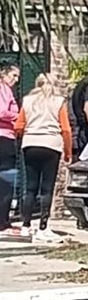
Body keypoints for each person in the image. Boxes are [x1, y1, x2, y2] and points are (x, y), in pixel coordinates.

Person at [14, 74, 72, 242]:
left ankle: (25, 226)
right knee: (46, 188)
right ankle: (43, 227)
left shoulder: (27, 101)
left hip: (30, 144)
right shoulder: (58, 102)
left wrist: (22, 137)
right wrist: (68, 152)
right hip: (51, 145)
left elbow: (19, 125)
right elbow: (66, 129)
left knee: (30, 187)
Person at [0, 61, 19, 236]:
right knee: (6, 181)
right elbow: (1, 112)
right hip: (4, 138)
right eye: (13, 75)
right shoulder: (3, 90)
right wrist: (18, 116)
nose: (16, 79)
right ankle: (3, 222)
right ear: (4, 74)